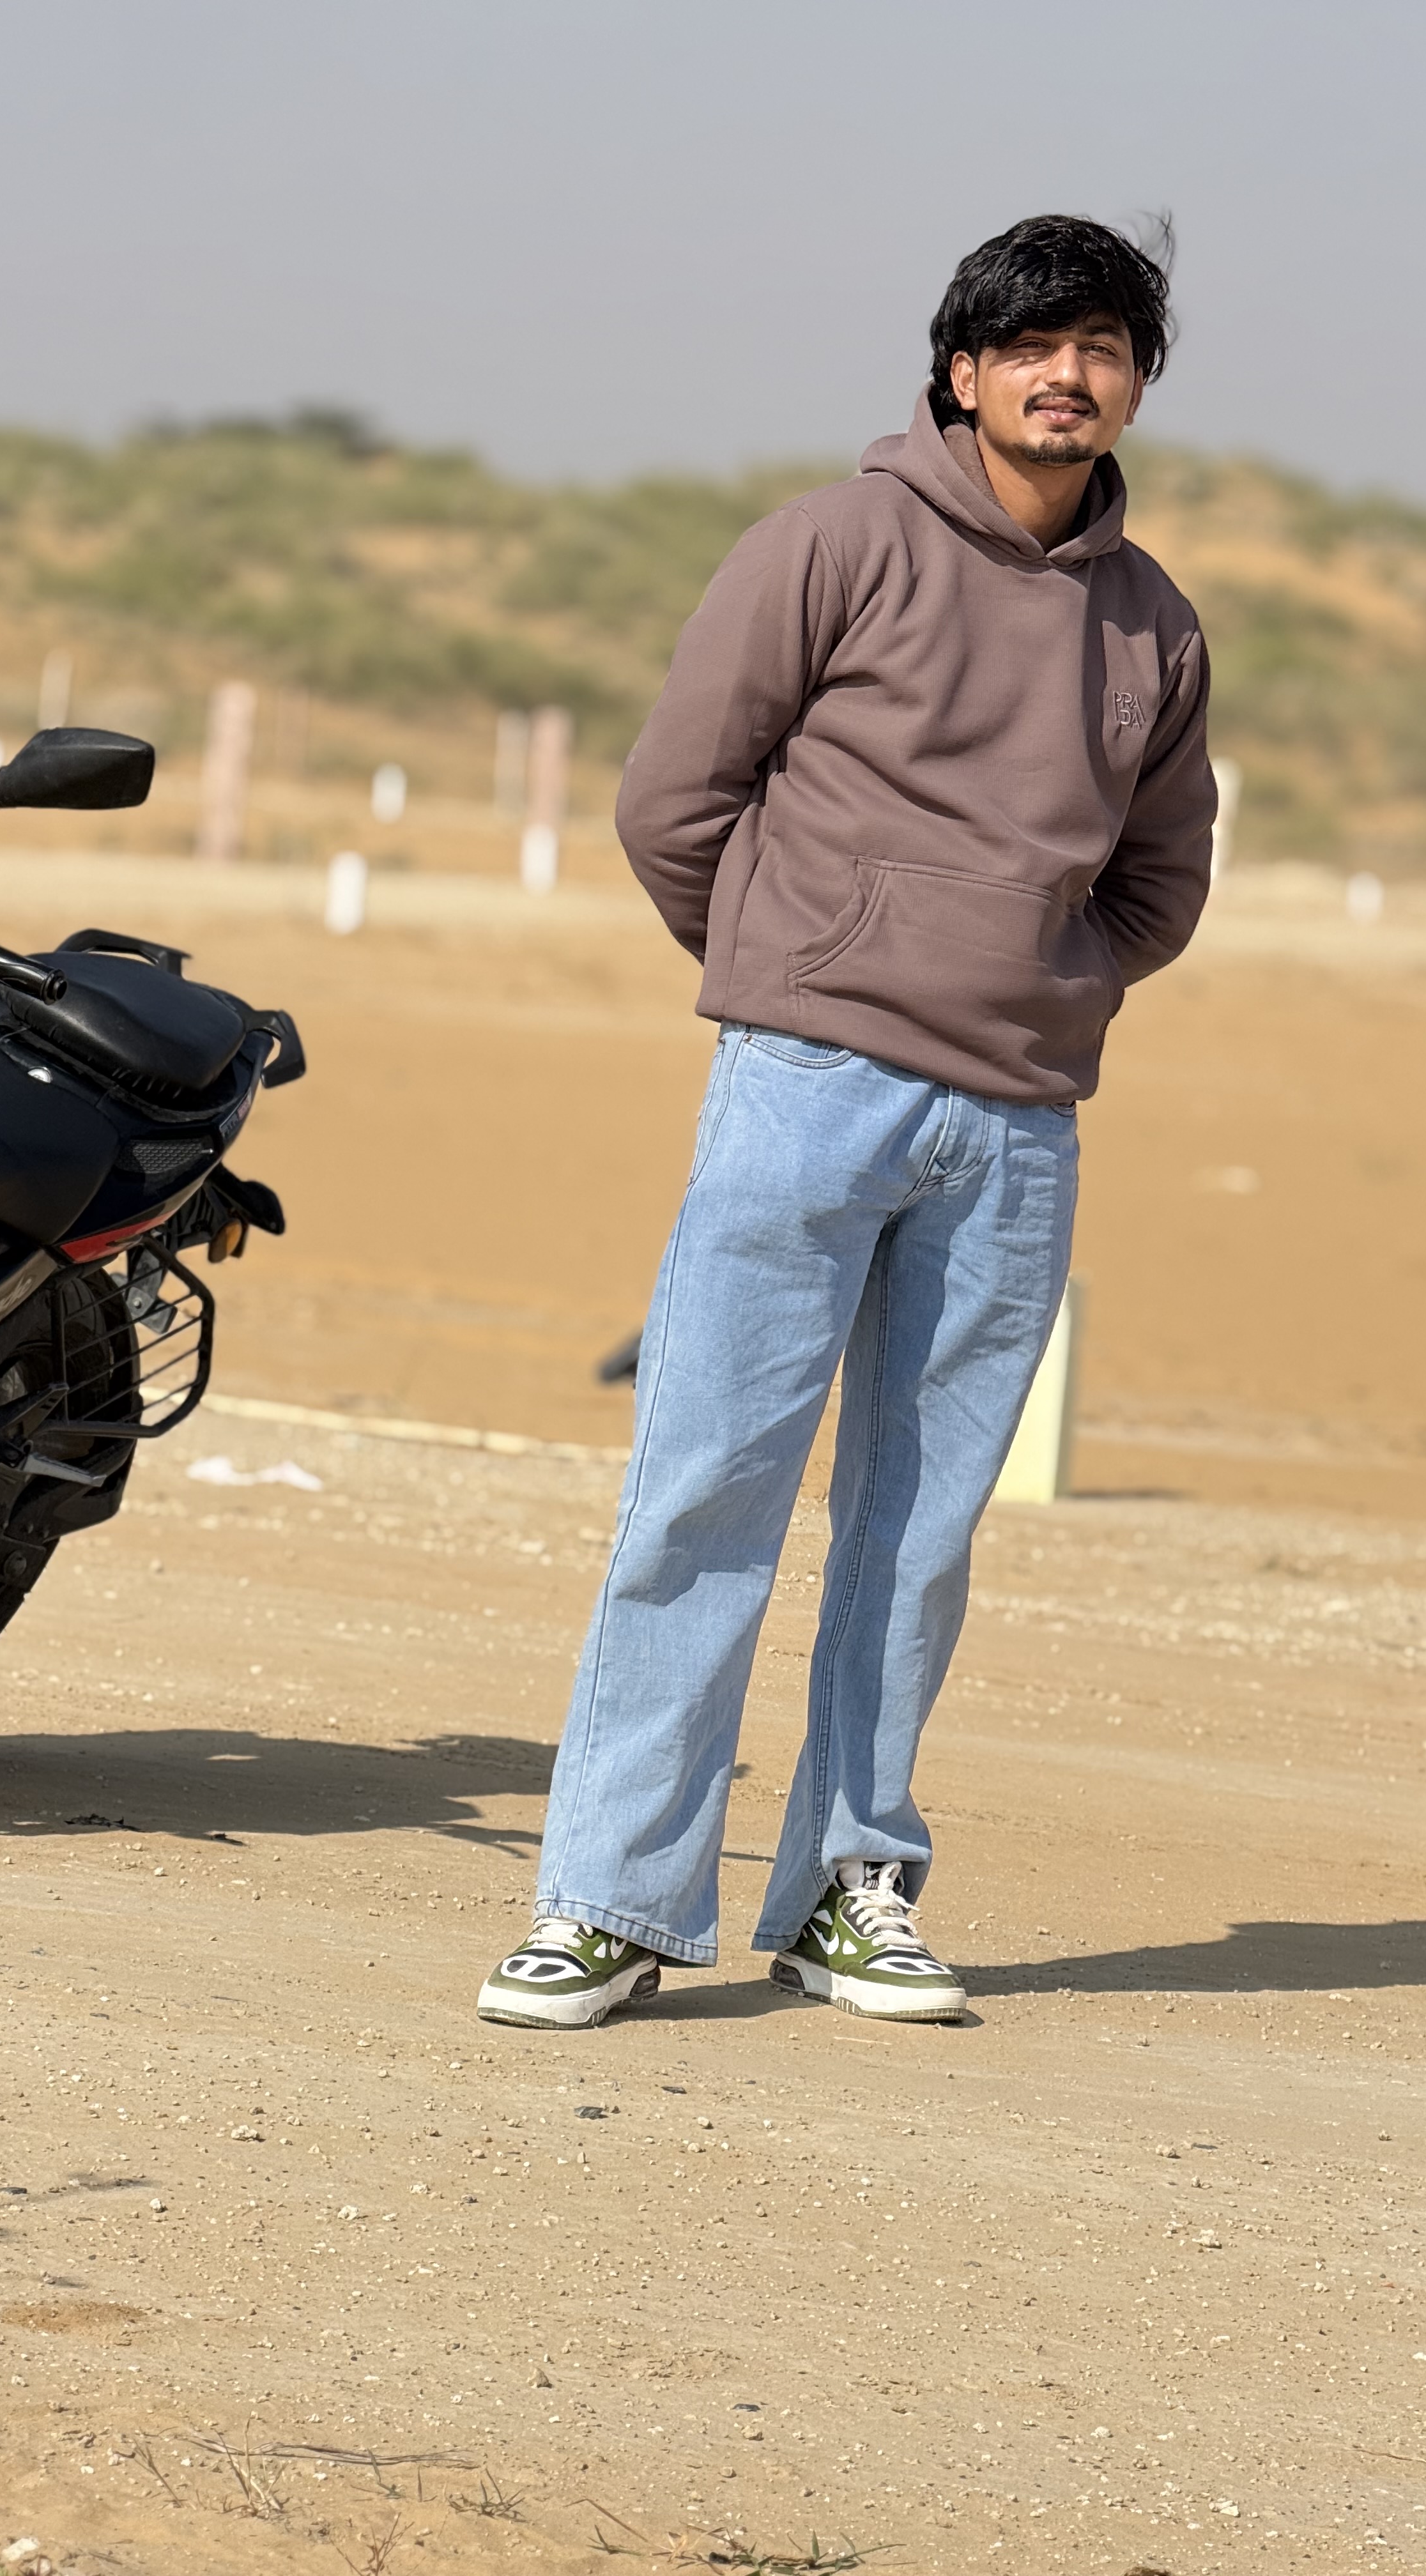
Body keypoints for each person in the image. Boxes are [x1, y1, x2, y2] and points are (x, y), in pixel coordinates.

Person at [479, 214, 1215, 2031]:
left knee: (922, 1530)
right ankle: (610, 1904)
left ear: (1136, 386)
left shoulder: (1155, 623)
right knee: (707, 1492)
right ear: (962, 371)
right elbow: (675, 802)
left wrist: (1044, 995)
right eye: (1032, 343)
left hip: (1018, 1128)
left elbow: (1162, 880)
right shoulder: (831, 542)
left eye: (1104, 348)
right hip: (803, 1091)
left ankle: (849, 1890)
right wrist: (799, 976)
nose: (1067, 375)